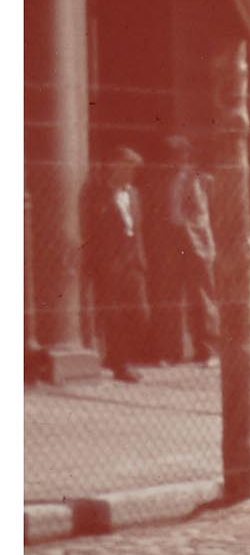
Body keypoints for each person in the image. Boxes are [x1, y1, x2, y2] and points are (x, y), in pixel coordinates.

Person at [84, 147, 150, 382]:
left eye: (134, 170)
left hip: (133, 264)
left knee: (141, 312)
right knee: (115, 316)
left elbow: (138, 230)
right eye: (128, 168)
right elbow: (94, 230)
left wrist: (141, 260)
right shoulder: (99, 194)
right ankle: (121, 365)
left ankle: (119, 357)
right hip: (110, 265)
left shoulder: (134, 194)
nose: (132, 174)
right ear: (116, 167)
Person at [156, 135, 216, 364]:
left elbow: (202, 210)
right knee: (172, 294)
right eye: (172, 155)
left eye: (181, 154)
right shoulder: (165, 179)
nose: (176, 159)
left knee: (202, 295)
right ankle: (173, 350)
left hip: (195, 240)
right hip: (173, 237)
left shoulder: (200, 178)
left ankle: (208, 349)